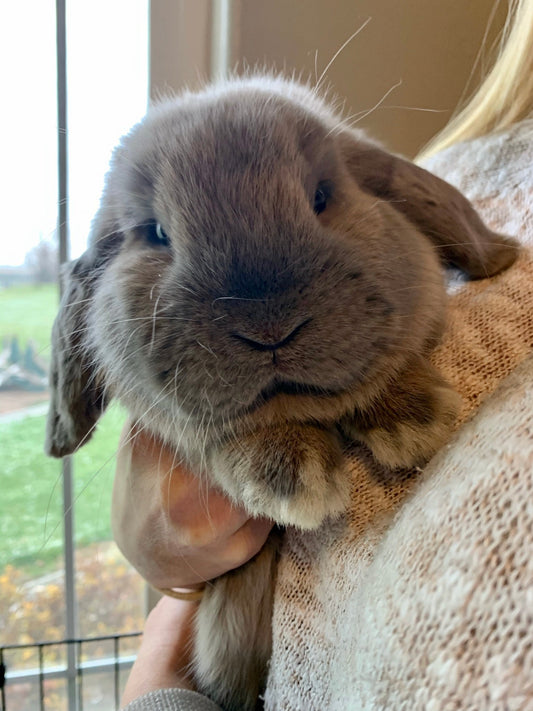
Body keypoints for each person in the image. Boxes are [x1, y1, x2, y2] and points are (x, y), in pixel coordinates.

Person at [117, 1, 533, 707]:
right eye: (157, 233)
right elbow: (172, 555)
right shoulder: (465, 156)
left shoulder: (398, 188)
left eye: (316, 199)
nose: (265, 321)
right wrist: (166, 513)